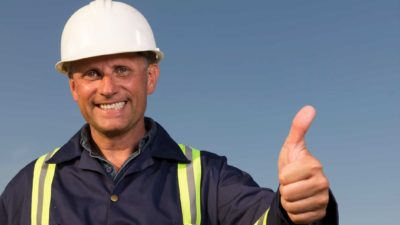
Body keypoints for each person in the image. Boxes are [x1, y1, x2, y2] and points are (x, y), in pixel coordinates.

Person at [0, 1, 338, 224]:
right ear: (74, 88)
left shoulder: (208, 179)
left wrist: (298, 208)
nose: (107, 88)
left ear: (150, 78)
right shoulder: (29, 187)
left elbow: (267, 219)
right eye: (92, 74)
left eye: (121, 70)